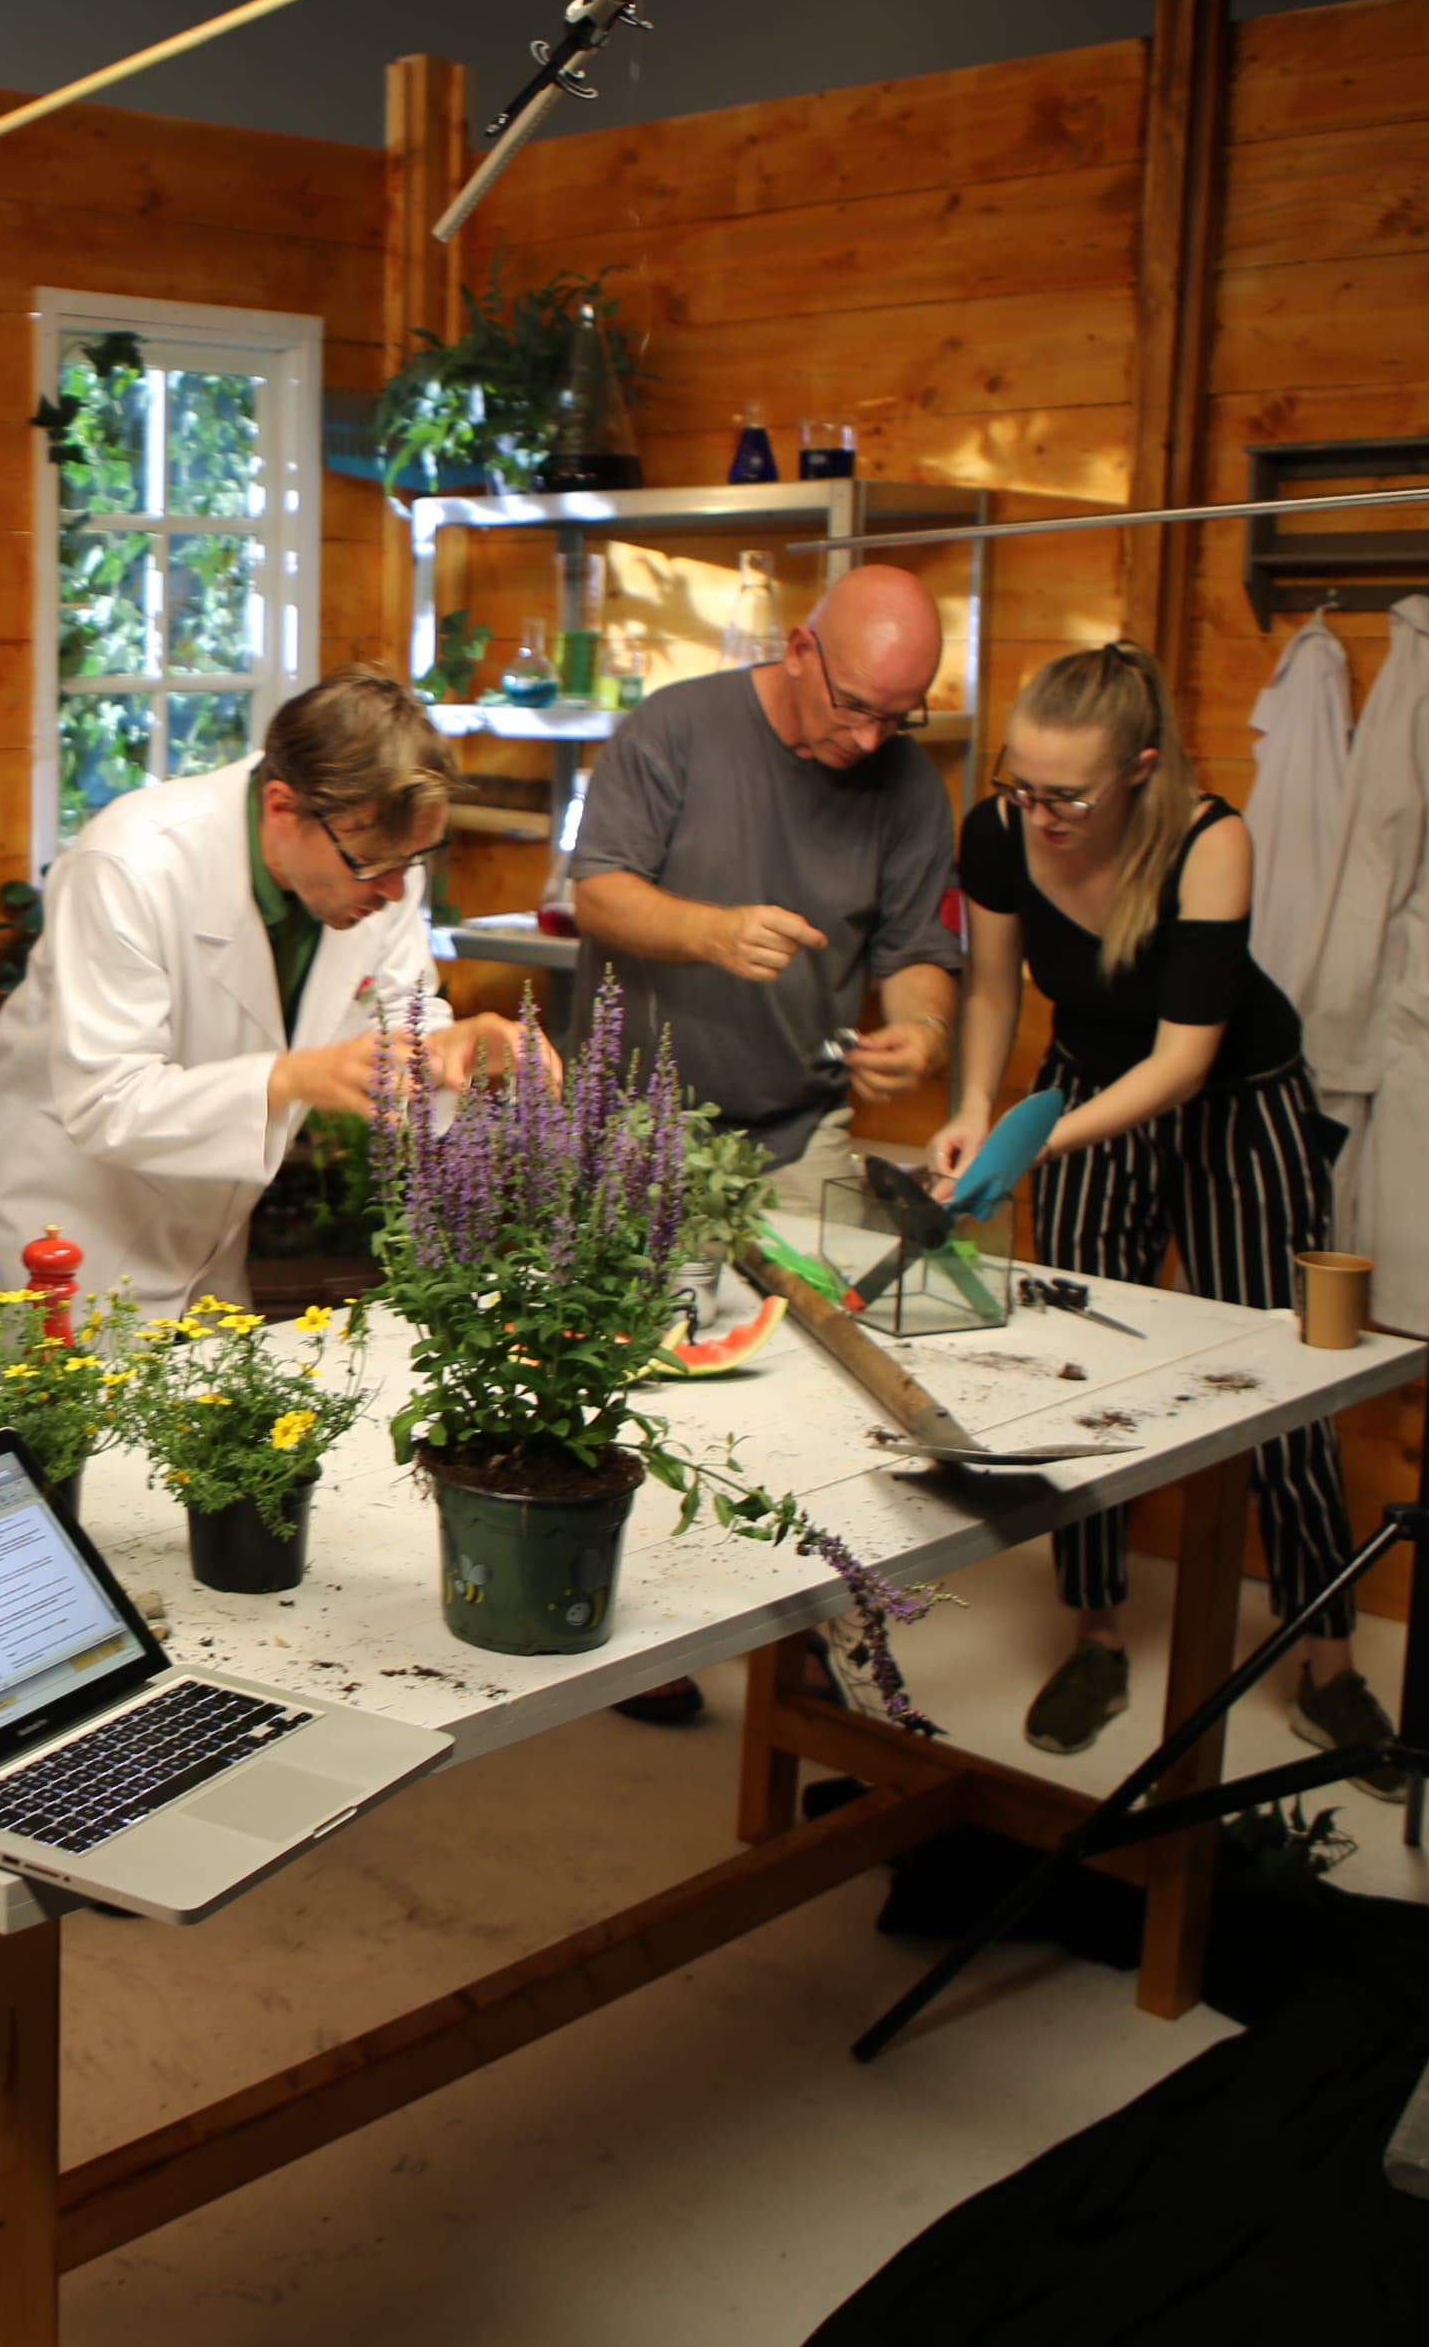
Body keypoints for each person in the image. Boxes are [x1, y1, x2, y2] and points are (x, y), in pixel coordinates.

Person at [929, 643, 1387, 1784]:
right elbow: (992, 987)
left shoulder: (1209, 841)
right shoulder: (999, 831)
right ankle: (1094, 1635)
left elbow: (1183, 1064)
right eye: (1021, 786)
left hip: (1236, 1098)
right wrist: (977, 1108)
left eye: (1068, 796)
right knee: (1079, 1365)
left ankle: (1328, 1658)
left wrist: (1030, 1144)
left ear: (1139, 769)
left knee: (1275, 1369)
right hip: (1083, 1081)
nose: (1039, 816)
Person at [561, 562, 965, 1721]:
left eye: (899, 716)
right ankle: (633, 1632)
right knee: (634, 1382)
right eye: (856, 706)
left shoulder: (906, 783)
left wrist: (922, 1033)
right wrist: (710, 930)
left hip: (799, 1119)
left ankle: (834, 1649)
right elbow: (598, 890)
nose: (871, 736)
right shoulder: (674, 729)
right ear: (799, 649)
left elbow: (919, 952)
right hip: (638, 1120)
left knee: (824, 1382)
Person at [0, 665, 516, 1319]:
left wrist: (452, 1048)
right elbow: (109, 1102)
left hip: (209, 1226)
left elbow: (395, 1020)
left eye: (412, 862)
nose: (395, 891)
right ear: (282, 807)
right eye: (372, 865)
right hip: (67, 1221)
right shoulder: (129, 862)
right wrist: (294, 1076)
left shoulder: (377, 855)